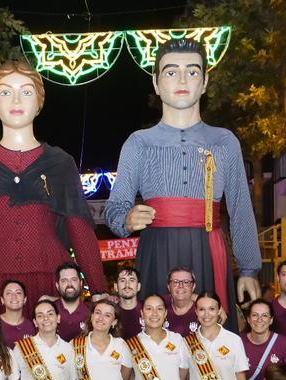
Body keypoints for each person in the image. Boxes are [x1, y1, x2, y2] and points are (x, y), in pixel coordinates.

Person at [105, 37, 262, 322]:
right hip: (156, 249)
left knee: (212, 343)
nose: (182, 79)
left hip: (209, 247)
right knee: (157, 338)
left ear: (204, 81)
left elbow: (240, 208)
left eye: (192, 71)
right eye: (170, 71)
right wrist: (126, 219)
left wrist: (250, 269)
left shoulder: (224, 141)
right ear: (156, 82)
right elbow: (114, 208)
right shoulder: (138, 143)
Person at [0, 60, 106, 316]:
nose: (16, 101)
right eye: (5, 92)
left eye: (26, 92)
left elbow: (79, 229)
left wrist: (99, 290)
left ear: (39, 103)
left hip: (47, 278)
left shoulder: (60, 163)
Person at [243, 299, 286, 380]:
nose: (259, 319)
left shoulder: (284, 344)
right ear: (248, 319)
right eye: (255, 315)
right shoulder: (237, 342)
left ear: (271, 320)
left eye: (264, 315)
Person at [53, 262, 91, 342]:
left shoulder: (92, 312)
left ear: (80, 283)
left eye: (74, 280)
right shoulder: (49, 311)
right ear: (57, 286)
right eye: (64, 281)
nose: (69, 284)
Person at [0, 279, 36, 349]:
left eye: (18, 293)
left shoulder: (32, 326)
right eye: (9, 293)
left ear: (25, 299)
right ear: (2, 300)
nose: (14, 296)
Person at [164, 267, 200, 336]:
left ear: (193, 286)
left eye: (186, 282)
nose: (181, 286)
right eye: (175, 282)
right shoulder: (160, 305)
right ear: (168, 287)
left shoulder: (203, 309)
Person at [114, 266, 144, 339]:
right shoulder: (110, 314)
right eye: (122, 280)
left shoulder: (148, 311)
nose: (127, 285)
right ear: (116, 287)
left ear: (139, 286)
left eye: (132, 280)